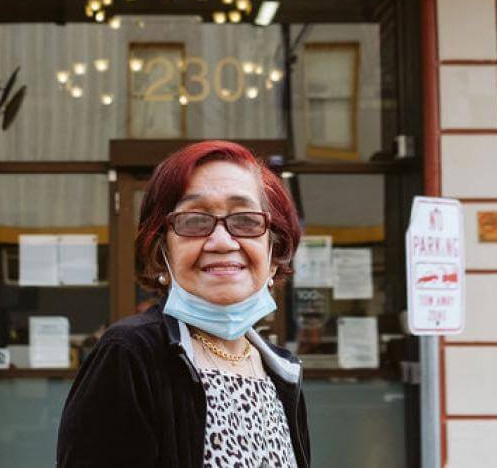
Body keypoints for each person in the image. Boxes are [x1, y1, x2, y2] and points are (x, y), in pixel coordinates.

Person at [57, 140, 310, 467]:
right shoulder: (130, 356)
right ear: (161, 251)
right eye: (194, 221)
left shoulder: (281, 370)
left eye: (246, 221)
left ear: (274, 253)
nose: (222, 242)